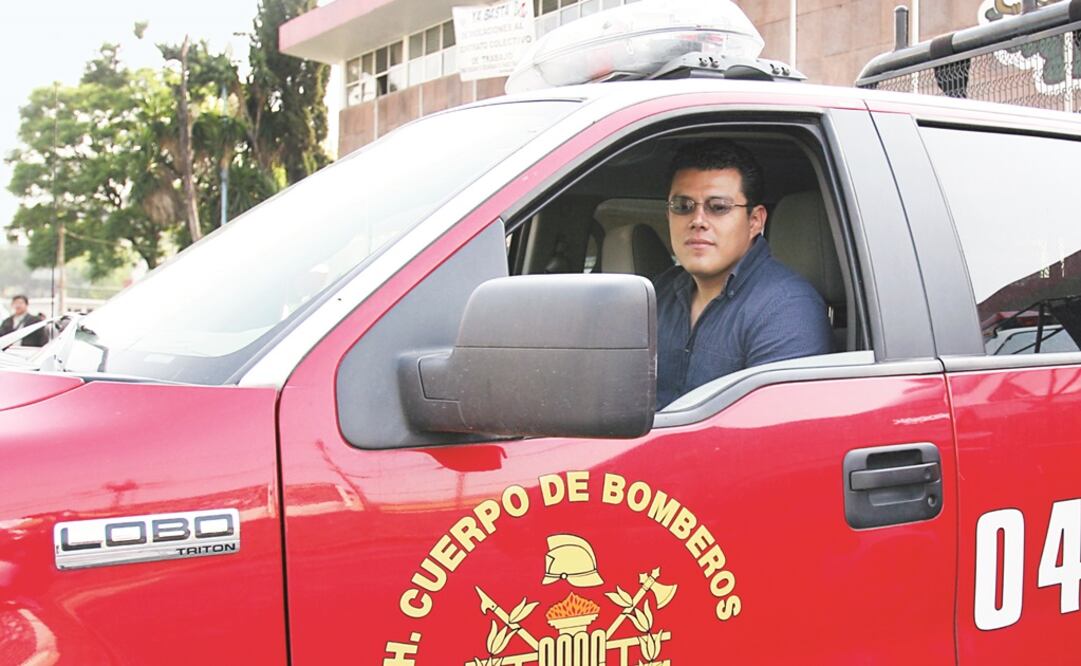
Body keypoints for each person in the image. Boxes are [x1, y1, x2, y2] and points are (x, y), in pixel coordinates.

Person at [653, 140, 832, 408]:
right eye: (683, 205)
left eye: (718, 207)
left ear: (755, 221)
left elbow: (772, 434)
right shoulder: (657, 293)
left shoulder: (787, 308)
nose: (697, 220)